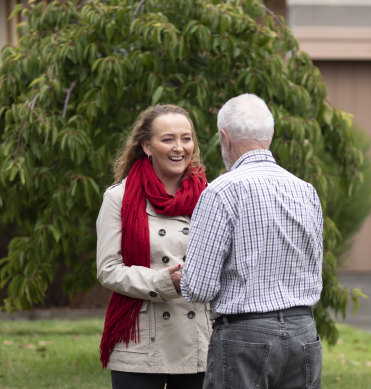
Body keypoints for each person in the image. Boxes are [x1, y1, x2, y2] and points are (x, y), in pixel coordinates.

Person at [180, 93, 324, 389]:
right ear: (269, 135)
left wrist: (184, 276)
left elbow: (199, 287)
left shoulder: (221, 191)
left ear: (224, 137)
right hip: (303, 332)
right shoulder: (305, 190)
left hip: (245, 337)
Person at [96, 104, 210, 389]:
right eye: (168, 139)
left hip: (199, 338)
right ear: (147, 146)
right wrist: (163, 281)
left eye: (186, 138)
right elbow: (108, 270)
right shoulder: (118, 197)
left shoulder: (211, 196)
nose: (179, 147)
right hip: (140, 339)